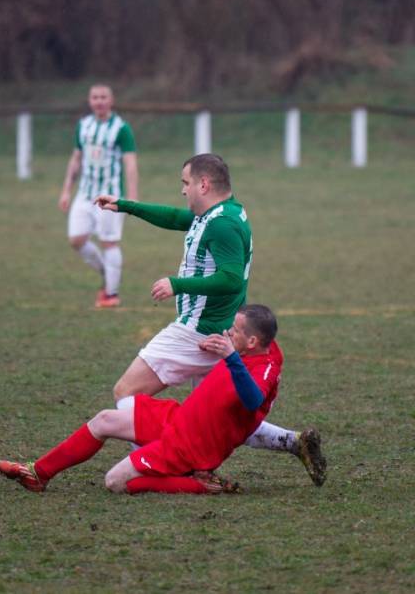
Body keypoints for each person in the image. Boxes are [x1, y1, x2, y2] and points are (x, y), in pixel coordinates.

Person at [95, 154, 323, 484]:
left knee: (125, 391)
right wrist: (126, 205)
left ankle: (167, 461)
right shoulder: (223, 212)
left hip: (197, 330)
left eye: (185, 183)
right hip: (221, 335)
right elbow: (176, 217)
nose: (183, 191)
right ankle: (294, 441)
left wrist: (177, 284)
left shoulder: (223, 224)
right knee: (216, 419)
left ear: (204, 184)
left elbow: (230, 278)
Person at [0, 305, 324, 493]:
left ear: (252, 341)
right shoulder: (261, 344)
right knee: (104, 419)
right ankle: (39, 474)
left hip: (190, 447)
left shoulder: (263, 367)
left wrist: (230, 357)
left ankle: (201, 484)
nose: (228, 333)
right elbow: (255, 339)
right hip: (177, 419)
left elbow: (253, 401)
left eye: (235, 331)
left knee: (115, 482)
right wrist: (226, 349)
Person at [58, 84, 139, 308]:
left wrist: (132, 198)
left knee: (109, 242)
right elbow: (76, 159)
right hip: (84, 194)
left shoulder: (121, 128)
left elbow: (130, 163)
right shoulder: (83, 126)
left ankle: (111, 294)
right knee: (76, 239)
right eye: (95, 97)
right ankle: (107, 270)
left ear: (111, 101)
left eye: (103, 97)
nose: (99, 101)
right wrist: (66, 190)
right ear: (90, 101)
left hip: (110, 195)